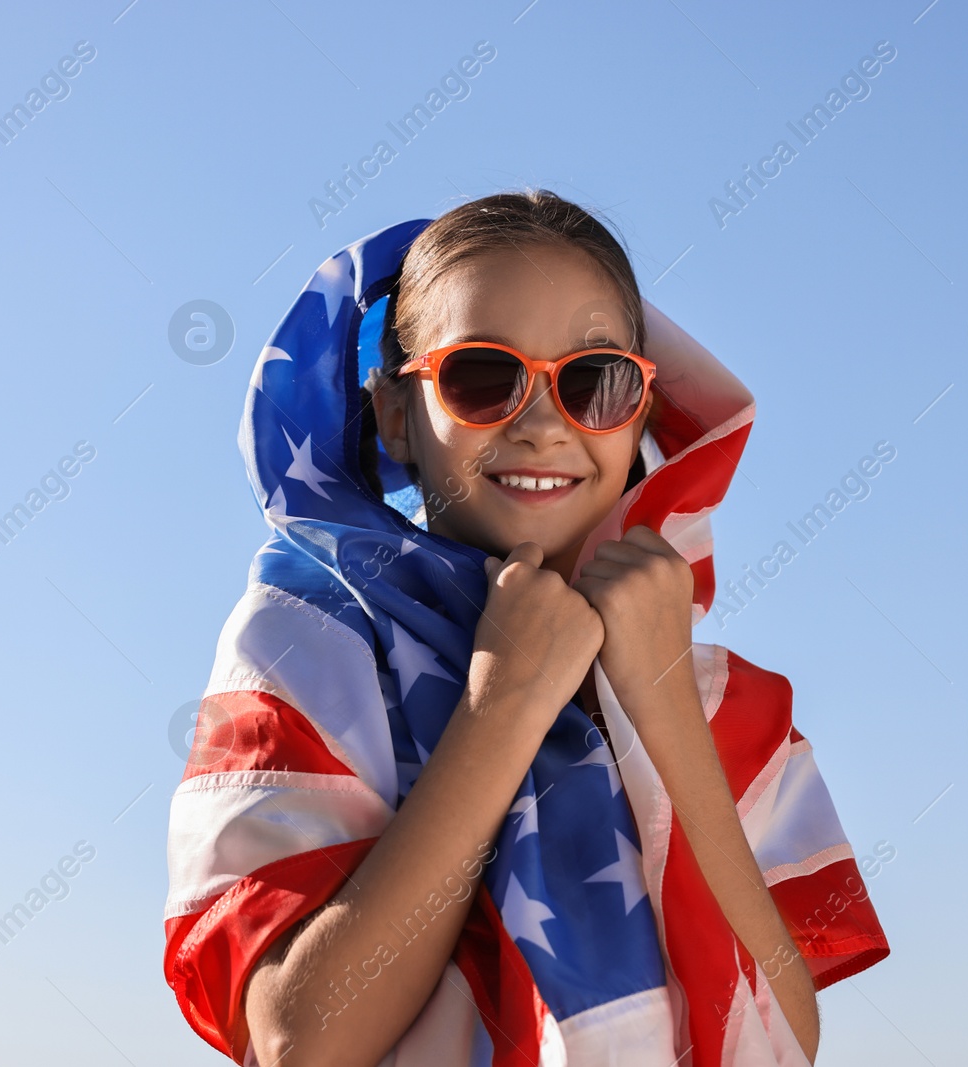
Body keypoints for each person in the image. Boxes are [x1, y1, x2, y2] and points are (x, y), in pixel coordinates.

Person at [164, 190, 889, 1067]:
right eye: (482, 377)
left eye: (595, 382)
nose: (544, 423)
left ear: (642, 418)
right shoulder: (311, 642)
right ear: (396, 413)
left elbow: (780, 1036)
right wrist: (502, 705)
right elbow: (299, 1038)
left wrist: (659, 701)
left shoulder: (726, 702)